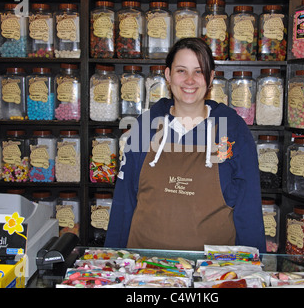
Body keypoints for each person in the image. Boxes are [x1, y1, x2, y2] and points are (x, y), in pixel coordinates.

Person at [105, 37, 266, 252]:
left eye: (198, 71)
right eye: (181, 71)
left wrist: (254, 269)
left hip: (212, 272)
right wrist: (110, 257)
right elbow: (124, 202)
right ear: (168, 75)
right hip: (144, 269)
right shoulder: (145, 127)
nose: (189, 80)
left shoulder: (233, 130)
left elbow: (249, 208)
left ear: (210, 79)